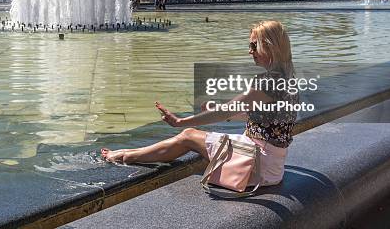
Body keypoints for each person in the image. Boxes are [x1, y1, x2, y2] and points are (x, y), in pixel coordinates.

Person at [101, 20, 298, 187]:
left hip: (256, 164)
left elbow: (227, 110)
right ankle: (127, 154)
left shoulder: (267, 81)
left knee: (187, 136)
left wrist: (181, 121)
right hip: (272, 165)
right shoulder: (289, 79)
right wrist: (217, 109)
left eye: (254, 46)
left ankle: (126, 157)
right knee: (192, 136)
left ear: (269, 46)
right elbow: (256, 115)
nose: (249, 51)